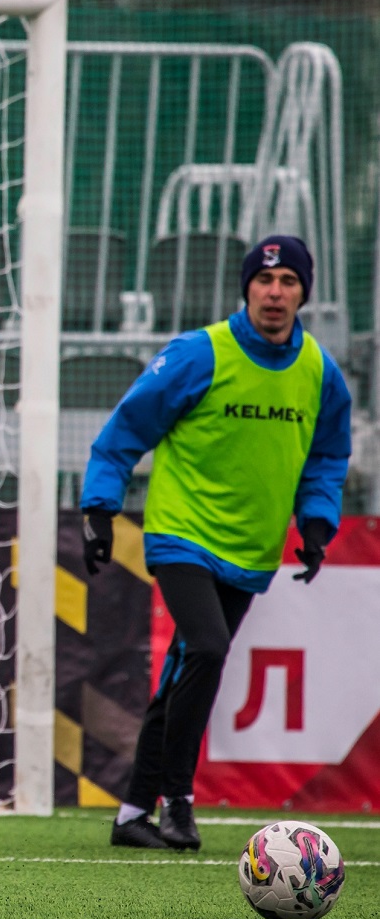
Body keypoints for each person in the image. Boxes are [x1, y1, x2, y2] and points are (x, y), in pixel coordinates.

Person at [82, 235, 350, 851]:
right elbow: (126, 427)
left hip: (251, 548)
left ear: (304, 290)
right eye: (264, 280)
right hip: (183, 531)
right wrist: (99, 506)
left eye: (287, 282)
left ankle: (132, 814)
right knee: (206, 646)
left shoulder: (320, 372)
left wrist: (315, 524)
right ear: (246, 288)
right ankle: (178, 800)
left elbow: (329, 457)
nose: (274, 293)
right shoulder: (201, 353)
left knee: (187, 665)